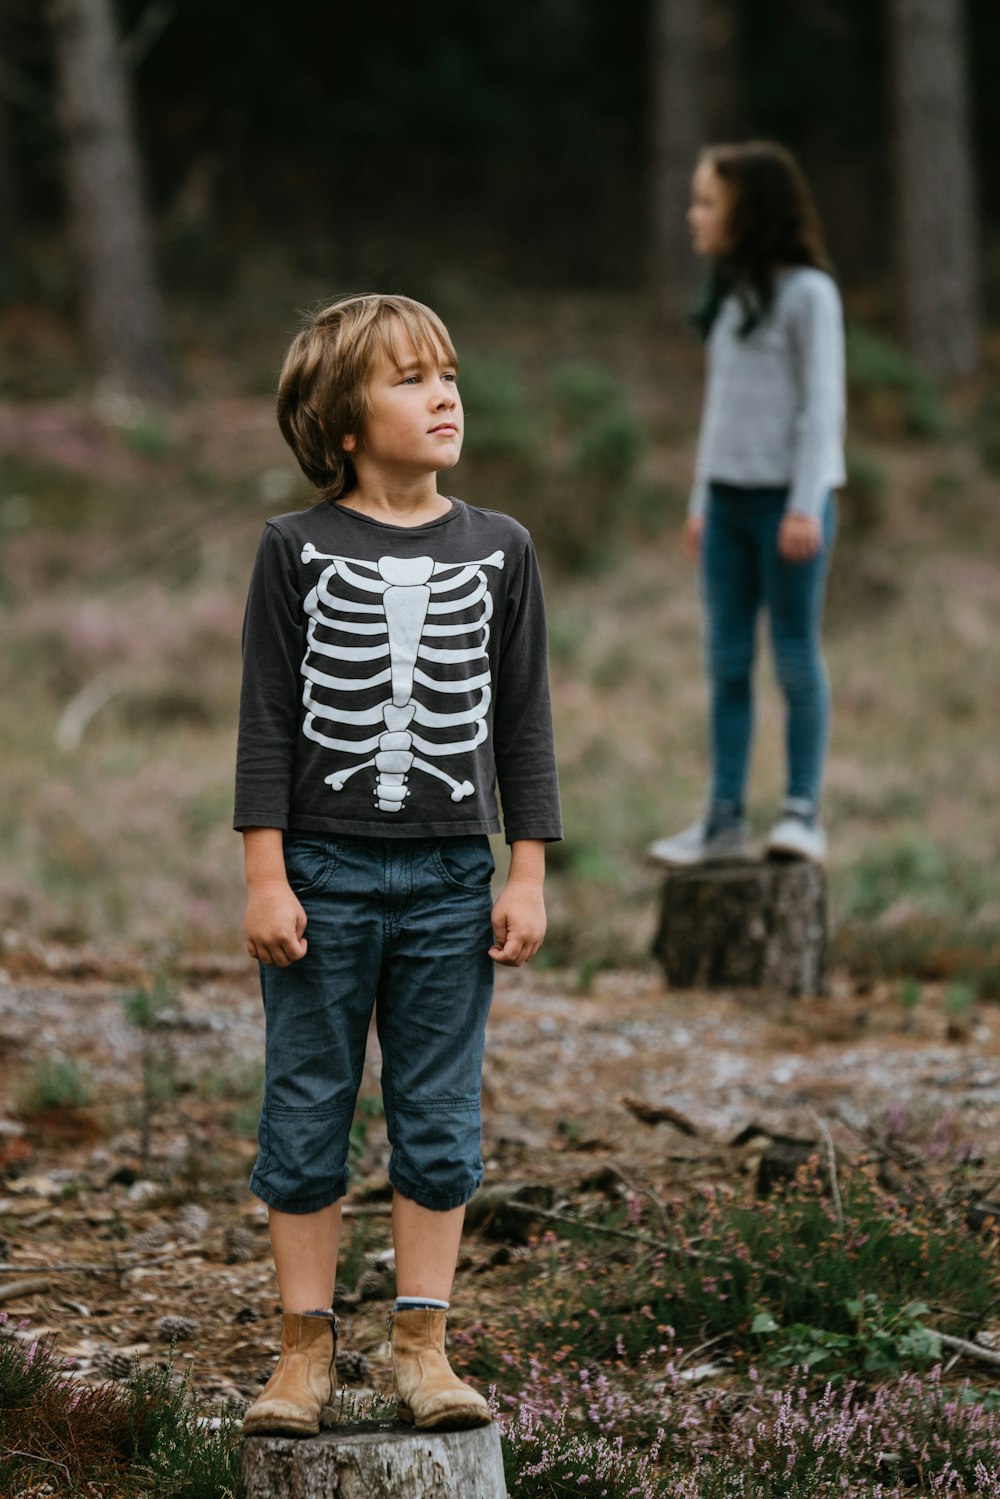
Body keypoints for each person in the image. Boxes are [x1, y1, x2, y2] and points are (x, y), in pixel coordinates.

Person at [234, 293, 562, 1436]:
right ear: (340, 421)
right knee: (306, 1102)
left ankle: (423, 1344)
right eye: (411, 379)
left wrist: (525, 869)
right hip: (320, 872)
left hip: (447, 880)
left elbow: (523, 722)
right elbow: (268, 721)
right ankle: (302, 1354)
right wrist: (264, 874)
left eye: (450, 375)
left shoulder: (501, 548)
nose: (444, 396)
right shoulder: (295, 548)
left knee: (436, 1111)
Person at [649, 140, 844, 868]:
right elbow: (721, 409)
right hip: (727, 506)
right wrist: (702, 498)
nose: (694, 215)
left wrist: (804, 502)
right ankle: (723, 818)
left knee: (794, 655)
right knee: (727, 662)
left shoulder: (810, 295)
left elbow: (822, 408)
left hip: (789, 508)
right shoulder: (730, 296)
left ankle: (801, 814)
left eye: (707, 202)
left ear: (749, 210)